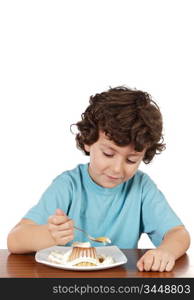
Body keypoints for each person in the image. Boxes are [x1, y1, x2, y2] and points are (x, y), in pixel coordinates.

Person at [7, 86, 190, 272]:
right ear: (88, 141)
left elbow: (178, 234)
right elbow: (15, 240)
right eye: (108, 154)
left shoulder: (141, 188)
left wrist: (165, 252)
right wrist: (49, 234)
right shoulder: (68, 185)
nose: (117, 169)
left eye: (131, 159)